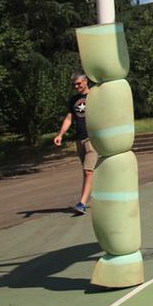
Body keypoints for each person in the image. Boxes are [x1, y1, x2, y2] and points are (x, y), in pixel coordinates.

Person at [53, 73, 96, 215]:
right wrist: (60, 134)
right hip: (80, 139)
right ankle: (99, 196)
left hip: (93, 139)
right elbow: (69, 118)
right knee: (88, 172)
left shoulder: (95, 95)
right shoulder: (74, 100)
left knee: (88, 171)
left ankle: (82, 203)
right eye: (74, 85)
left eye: (79, 83)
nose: (76, 86)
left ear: (86, 81)